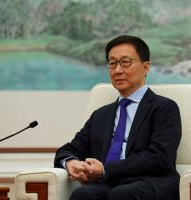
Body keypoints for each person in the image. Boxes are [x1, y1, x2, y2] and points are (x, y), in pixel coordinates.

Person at [54, 35, 182, 200]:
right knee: (82, 195)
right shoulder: (101, 115)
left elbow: (159, 157)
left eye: (125, 62)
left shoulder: (164, 107)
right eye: (112, 63)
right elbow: (68, 150)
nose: (118, 70)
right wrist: (70, 162)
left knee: (122, 195)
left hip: (153, 182)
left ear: (146, 67)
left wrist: (106, 169)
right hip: (111, 183)